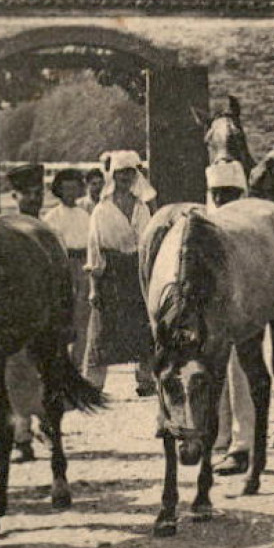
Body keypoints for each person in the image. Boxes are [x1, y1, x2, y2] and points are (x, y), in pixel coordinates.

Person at [83, 150, 158, 393]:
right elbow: (95, 249)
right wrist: (94, 287)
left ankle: (146, 379)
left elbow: (147, 241)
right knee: (103, 329)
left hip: (137, 271)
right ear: (112, 175)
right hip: (111, 274)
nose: (125, 177)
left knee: (143, 327)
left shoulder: (141, 208)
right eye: (120, 173)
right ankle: (94, 384)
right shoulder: (102, 210)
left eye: (130, 172)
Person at [204, 160, 257, 475]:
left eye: (231, 194)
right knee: (214, 377)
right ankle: (218, 438)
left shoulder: (249, 231)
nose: (224, 200)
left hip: (243, 313)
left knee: (241, 376)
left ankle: (243, 443)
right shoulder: (204, 227)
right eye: (219, 194)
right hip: (213, 314)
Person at [3, 163, 48, 462]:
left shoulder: (49, 229)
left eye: (38, 193)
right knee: (17, 373)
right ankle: (22, 437)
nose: (33, 200)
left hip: (46, 310)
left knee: (46, 370)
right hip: (18, 312)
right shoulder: (7, 230)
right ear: (14, 196)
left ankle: (48, 426)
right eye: (27, 194)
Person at [42, 168, 95, 377]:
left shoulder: (85, 215)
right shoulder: (52, 217)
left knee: (84, 319)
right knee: (64, 318)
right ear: (59, 191)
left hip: (85, 265)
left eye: (75, 188)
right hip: (64, 267)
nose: (71, 193)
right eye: (66, 189)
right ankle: (60, 369)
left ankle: (77, 369)